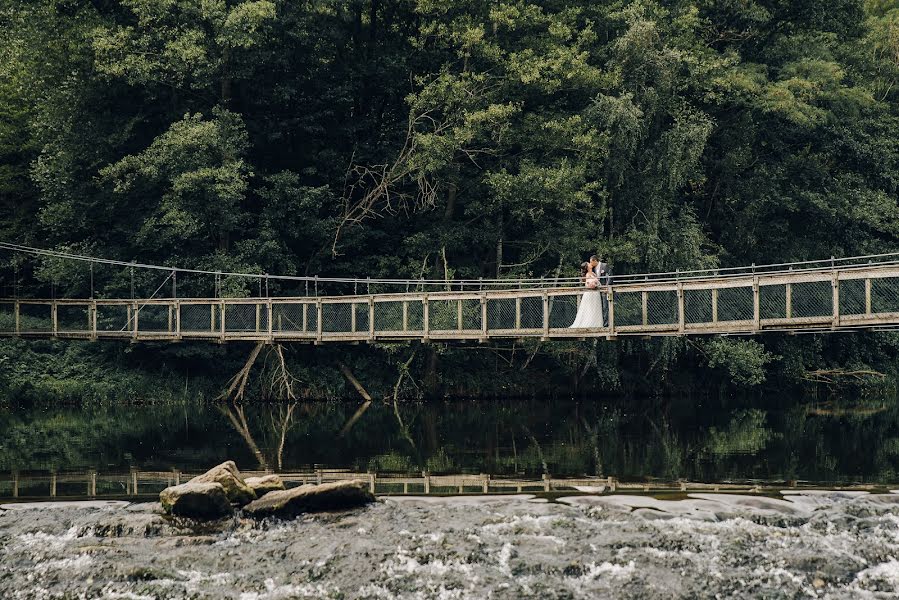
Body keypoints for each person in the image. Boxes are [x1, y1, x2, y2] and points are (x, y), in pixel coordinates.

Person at [570, 260, 604, 328]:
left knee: (595, 308)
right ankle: (589, 323)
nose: (590, 263)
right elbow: (588, 284)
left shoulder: (593, 273)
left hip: (596, 293)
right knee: (590, 308)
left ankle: (596, 324)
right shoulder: (588, 274)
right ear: (587, 267)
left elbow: (597, 282)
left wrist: (596, 283)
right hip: (590, 293)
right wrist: (593, 284)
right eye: (588, 263)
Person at [592, 255, 610, 327]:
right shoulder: (593, 268)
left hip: (604, 290)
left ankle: (606, 324)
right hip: (597, 290)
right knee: (599, 307)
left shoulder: (605, 266)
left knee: (605, 306)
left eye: (591, 262)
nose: (591, 263)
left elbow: (610, 277)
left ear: (595, 261)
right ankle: (599, 323)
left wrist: (606, 287)